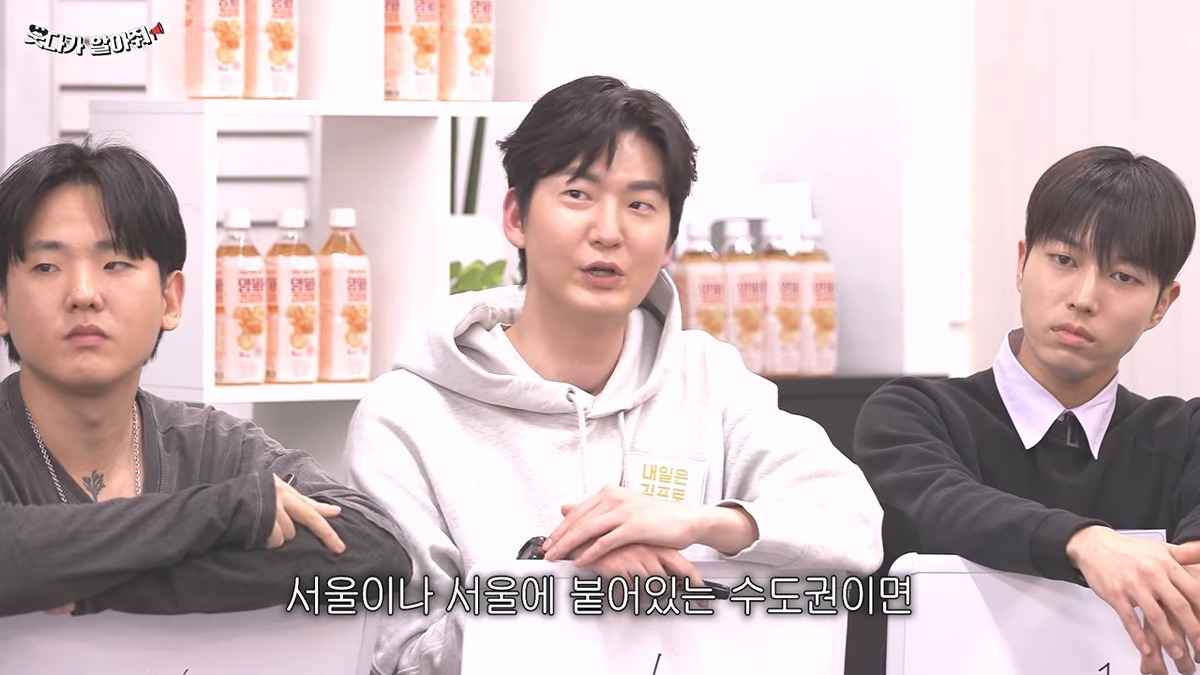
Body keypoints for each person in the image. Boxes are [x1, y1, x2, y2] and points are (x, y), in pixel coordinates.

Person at [345, 74, 884, 675]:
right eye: (578, 194)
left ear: (670, 238)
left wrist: (699, 523)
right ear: (517, 217)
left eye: (640, 204)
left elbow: (856, 527)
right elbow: (398, 655)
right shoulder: (408, 414)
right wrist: (552, 577)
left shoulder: (710, 378)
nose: (609, 231)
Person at [0, 138, 412, 617]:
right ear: (3, 306)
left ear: (170, 300)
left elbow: (375, 547)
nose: (84, 293)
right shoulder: (235, 494)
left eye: (115, 264)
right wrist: (215, 512)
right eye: (47, 266)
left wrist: (99, 589)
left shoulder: (215, 447)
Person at [853, 145, 1200, 675]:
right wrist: (1085, 543)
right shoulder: (913, 413)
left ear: (1162, 305)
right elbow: (946, 504)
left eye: (1124, 277)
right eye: (1064, 260)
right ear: (1021, 262)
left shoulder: (1186, 435)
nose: (1084, 297)